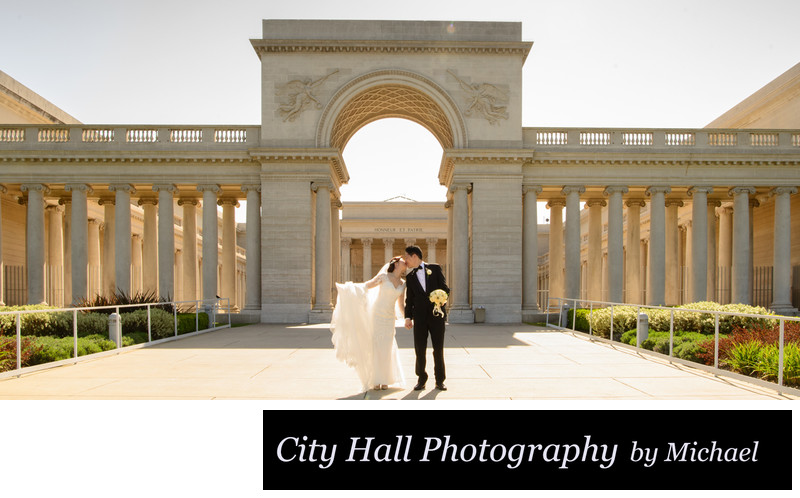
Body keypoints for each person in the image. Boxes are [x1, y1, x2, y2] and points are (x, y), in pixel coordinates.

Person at [330, 257, 407, 392]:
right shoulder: (383, 276)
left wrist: (408, 318)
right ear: (395, 264)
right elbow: (367, 286)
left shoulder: (403, 283)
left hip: (389, 318)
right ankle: (376, 380)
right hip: (377, 315)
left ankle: (385, 380)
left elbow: (401, 304)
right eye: (402, 260)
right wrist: (349, 288)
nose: (405, 262)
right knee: (376, 346)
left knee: (387, 347)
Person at [403, 245, 450, 391]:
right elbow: (409, 299)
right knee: (419, 349)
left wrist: (442, 300)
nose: (406, 261)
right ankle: (421, 378)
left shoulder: (435, 269)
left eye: (407, 257)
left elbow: (445, 288)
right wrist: (408, 317)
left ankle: (440, 380)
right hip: (420, 318)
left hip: (437, 316)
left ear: (414, 256)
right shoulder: (409, 277)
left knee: (438, 349)